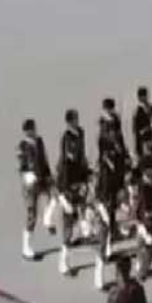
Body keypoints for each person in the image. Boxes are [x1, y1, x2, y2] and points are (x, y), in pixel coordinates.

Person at [56, 109, 90, 274]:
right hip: (69, 187)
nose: (73, 151)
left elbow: (82, 157)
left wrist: (86, 175)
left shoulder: (80, 133)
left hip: (79, 180)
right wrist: (63, 197)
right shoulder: (65, 163)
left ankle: (80, 232)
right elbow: (61, 179)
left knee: (81, 211)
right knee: (68, 222)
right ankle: (63, 262)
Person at [96, 122, 128, 290]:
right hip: (103, 202)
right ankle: (98, 276)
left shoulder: (116, 163)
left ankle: (108, 251)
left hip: (112, 199)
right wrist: (102, 208)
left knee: (110, 229)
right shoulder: (103, 170)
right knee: (103, 234)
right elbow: (98, 192)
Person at [17, 119, 56, 260]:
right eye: (30, 131)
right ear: (26, 132)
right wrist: (28, 175)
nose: (33, 132)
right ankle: (26, 247)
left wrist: (49, 175)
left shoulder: (39, 141)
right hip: (31, 185)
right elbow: (22, 167)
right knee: (32, 215)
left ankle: (47, 218)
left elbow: (44, 160)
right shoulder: (23, 146)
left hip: (42, 179)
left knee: (54, 196)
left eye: (33, 129)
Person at [132, 86, 152, 162]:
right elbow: (134, 127)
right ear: (139, 97)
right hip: (141, 137)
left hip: (151, 136)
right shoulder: (137, 109)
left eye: (145, 95)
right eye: (142, 96)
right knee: (142, 157)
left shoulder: (150, 107)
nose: (145, 97)